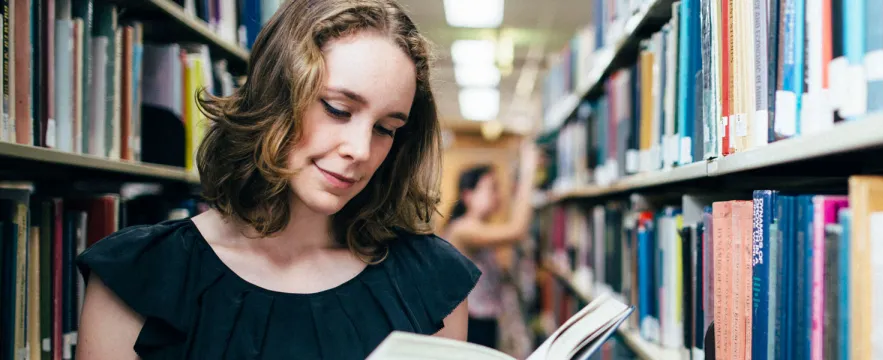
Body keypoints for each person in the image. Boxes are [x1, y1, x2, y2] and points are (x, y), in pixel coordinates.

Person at [74, 1, 480, 359]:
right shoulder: (139, 276)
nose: (360, 149)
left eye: (386, 129)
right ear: (276, 96)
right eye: (338, 109)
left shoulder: (433, 283)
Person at [441, 142, 538, 350]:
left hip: (483, 319)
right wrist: (529, 170)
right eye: (492, 188)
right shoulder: (463, 229)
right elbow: (517, 231)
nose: (498, 196)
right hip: (474, 322)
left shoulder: (478, 227)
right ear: (468, 195)